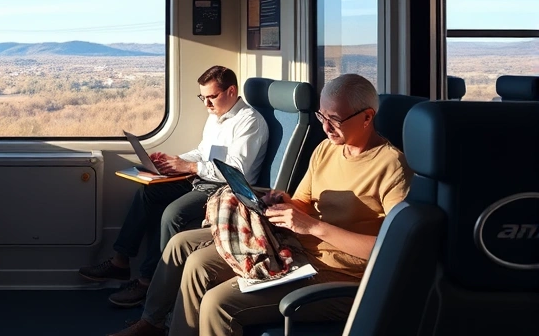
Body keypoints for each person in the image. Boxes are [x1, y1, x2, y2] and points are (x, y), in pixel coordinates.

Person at [112, 73, 412, 336]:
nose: (326, 127)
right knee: (197, 263)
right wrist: (282, 202)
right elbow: (304, 201)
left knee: (219, 304)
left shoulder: (392, 166)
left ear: (367, 117)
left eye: (334, 119)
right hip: (296, 249)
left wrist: (315, 227)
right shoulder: (327, 149)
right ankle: (158, 325)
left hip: (339, 275)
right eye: (322, 116)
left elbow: (391, 249)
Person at [80, 66, 269, 307]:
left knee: (172, 214)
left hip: (226, 189)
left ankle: (150, 284)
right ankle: (120, 261)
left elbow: (235, 170)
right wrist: (174, 162)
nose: (207, 105)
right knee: (149, 192)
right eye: (203, 97)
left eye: (212, 97)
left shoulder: (249, 122)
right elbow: (203, 152)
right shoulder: (216, 117)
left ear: (231, 91)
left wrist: (189, 168)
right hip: (203, 178)